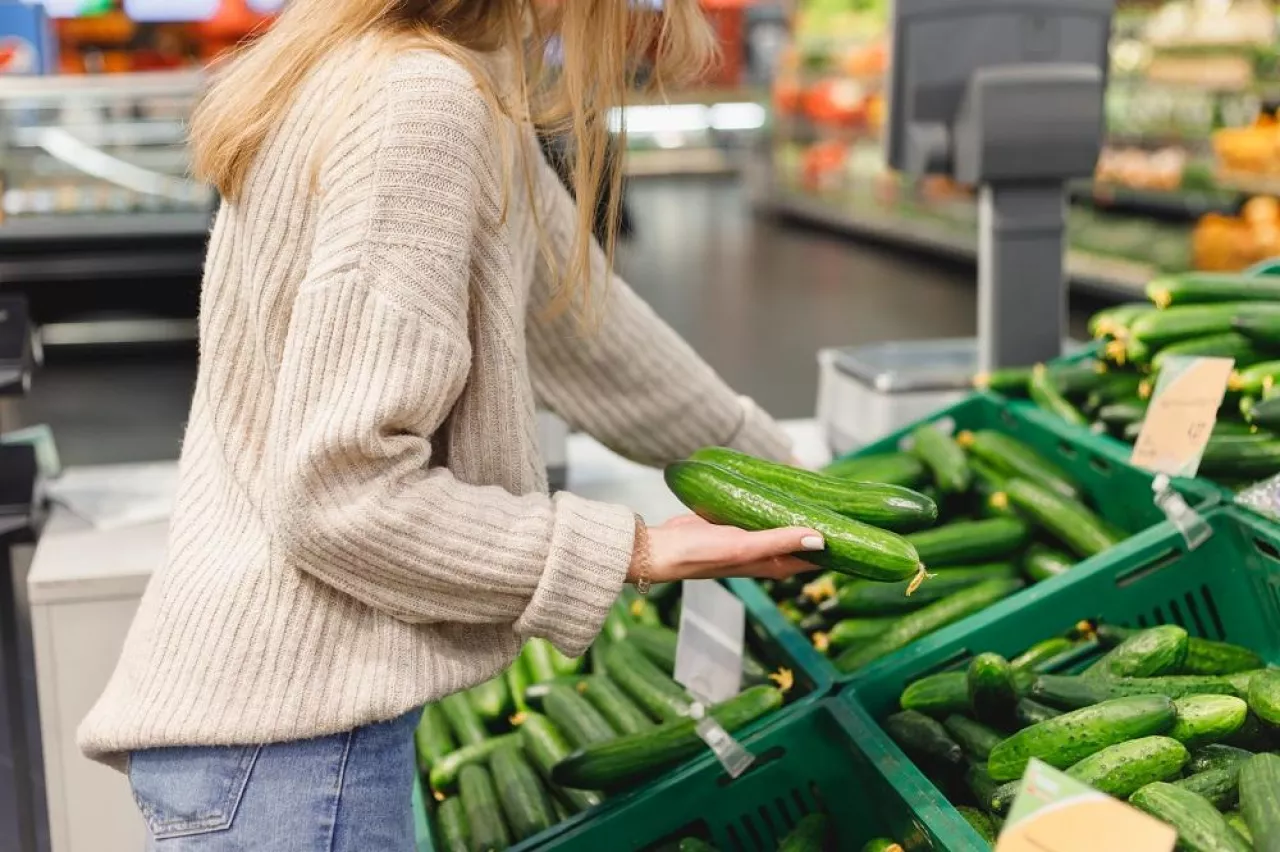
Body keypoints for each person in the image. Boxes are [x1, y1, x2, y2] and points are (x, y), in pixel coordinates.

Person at [78, 1, 823, 848]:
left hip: (275, 740)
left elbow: (579, 321)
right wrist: (636, 551)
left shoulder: (412, 64)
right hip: (293, 757)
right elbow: (342, 493)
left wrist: (786, 476)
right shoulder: (421, 100)